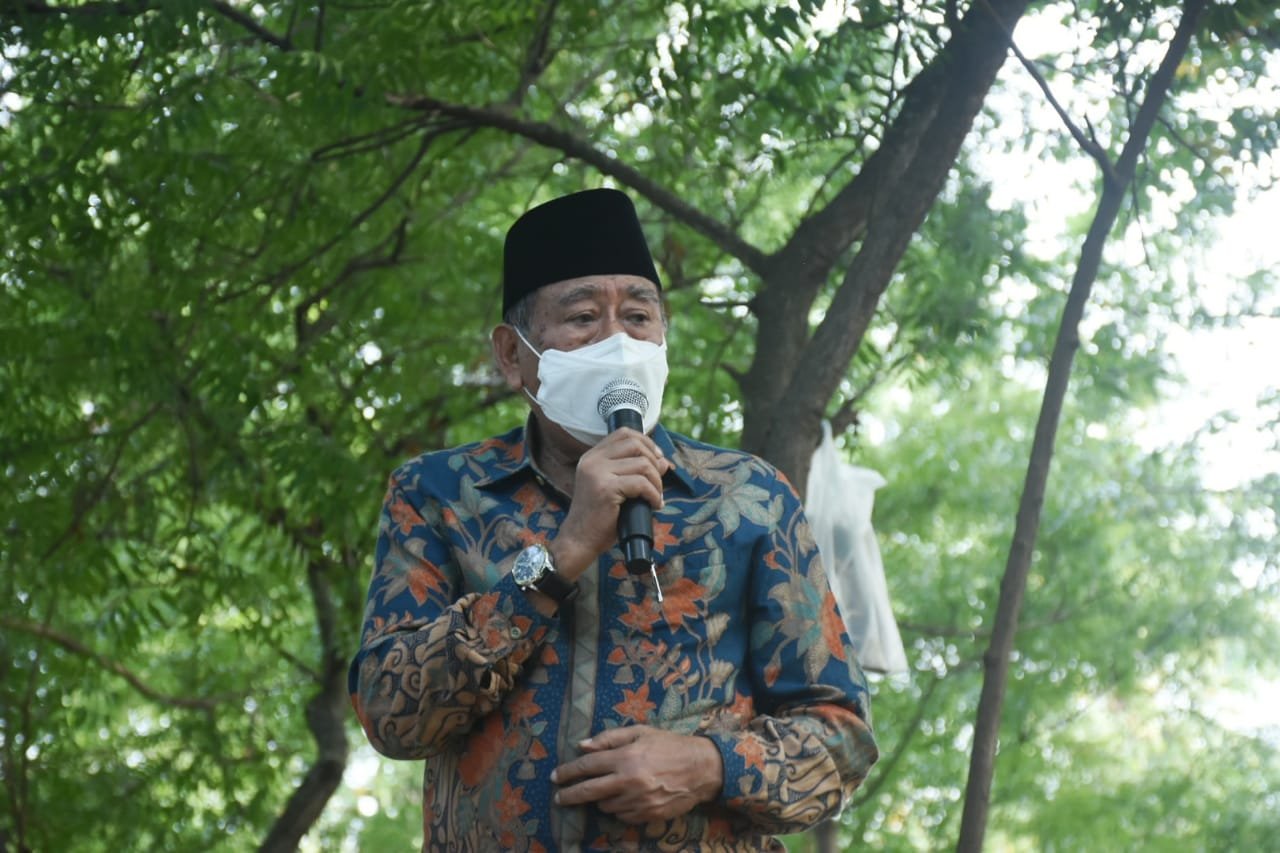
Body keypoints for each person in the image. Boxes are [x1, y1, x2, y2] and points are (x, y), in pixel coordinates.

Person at [349, 188, 878, 851]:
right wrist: (559, 557)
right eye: (582, 317)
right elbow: (392, 715)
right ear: (512, 355)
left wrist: (710, 765)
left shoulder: (750, 497)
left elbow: (843, 738)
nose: (618, 343)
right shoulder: (438, 493)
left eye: (637, 316)